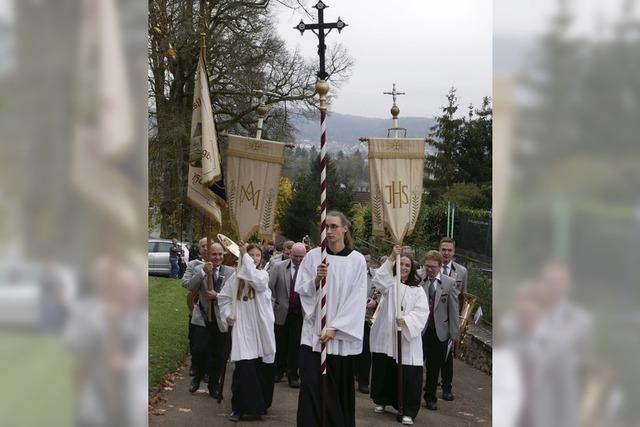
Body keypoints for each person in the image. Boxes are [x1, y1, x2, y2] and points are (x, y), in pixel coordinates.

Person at [295, 211, 367, 427]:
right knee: (310, 386)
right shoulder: (314, 256)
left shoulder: (357, 261)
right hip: (314, 335)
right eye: (326, 226)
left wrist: (335, 328)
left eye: (335, 226)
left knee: (336, 391)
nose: (330, 230)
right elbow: (302, 290)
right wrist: (316, 280)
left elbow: (357, 298)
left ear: (345, 228)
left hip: (339, 339)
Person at [369, 245, 429, 426]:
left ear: (412, 270)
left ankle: (408, 410)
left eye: (407, 266)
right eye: (400, 264)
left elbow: (422, 312)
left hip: (407, 338)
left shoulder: (417, 290)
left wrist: (408, 320)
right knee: (386, 368)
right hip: (388, 335)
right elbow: (378, 278)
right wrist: (390, 257)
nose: (403, 268)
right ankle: (382, 400)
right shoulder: (390, 284)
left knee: (409, 373)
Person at [218, 243, 276, 422]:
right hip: (242, 328)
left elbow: (257, 283)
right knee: (244, 368)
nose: (255, 258)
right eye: (251, 254)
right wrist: (228, 315)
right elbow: (224, 299)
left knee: (259, 368)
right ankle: (238, 408)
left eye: (258, 255)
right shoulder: (235, 278)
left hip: (259, 329)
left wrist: (246, 258)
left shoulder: (262, 275)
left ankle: (259, 407)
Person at [181, 238, 235, 397]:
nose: (217, 257)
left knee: (219, 354)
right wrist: (203, 271)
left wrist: (217, 296)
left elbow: (233, 296)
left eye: (220, 254)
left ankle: (214, 384)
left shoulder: (230, 272)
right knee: (199, 350)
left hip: (221, 319)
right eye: (214, 254)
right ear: (206, 254)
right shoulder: (199, 268)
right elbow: (190, 287)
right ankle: (197, 378)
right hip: (203, 317)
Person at [419, 250, 459, 411]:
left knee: (434, 368)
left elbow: (453, 310)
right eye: (427, 266)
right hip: (419, 330)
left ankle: (430, 397)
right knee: (414, 364)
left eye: (433, 267)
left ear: (440, 266)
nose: (429, 270)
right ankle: (412, 394)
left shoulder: (449, 283)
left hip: (439, 332)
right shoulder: (418, 279)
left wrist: (454, 334)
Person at [269, 242, 307, 386]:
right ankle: (277, 371)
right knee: (280, 343)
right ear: (290, 254)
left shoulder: (308, 269)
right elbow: (270, 288)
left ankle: (293, 375)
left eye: (301, 257)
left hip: (299, 313)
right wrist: (273, 305)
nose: (298, 259)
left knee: (295, 345)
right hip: (281, 312)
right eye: (295, 256)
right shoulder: (278, 267)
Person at [438, 237, 468, 401]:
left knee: (448, 356)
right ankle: (430, 383)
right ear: (439, 250)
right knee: (432, 354)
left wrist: (459, 322)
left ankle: (447, 387)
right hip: (435, 318)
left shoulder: (462, 271)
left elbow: (463, 296)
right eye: (444, 250)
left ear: (454, 251)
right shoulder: (433, 267)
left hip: (451, 319)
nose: (446, 253)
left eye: (449, 250)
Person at [354, 247, 378, 394]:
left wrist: (375, 301)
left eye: (368, 261)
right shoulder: (351, 273)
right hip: (351, 318)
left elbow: (381, 292)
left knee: (365, 351)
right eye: (363, 261)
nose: (365, 264)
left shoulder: (375, 276)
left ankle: (363, 382)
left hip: (367, 318)